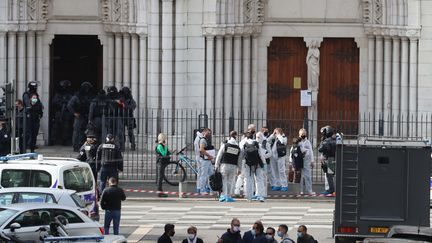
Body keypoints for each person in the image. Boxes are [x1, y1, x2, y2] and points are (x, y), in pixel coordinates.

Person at [215, 131, 242, 202]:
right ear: (236, 136)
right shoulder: (238, 147)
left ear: (229, 136)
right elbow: (239, 159)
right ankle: (229, 196)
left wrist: (216, 165)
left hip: (224, 165)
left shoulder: (225, 145)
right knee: (230, 182)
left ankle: (224, 195)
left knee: (224, 181)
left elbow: (219, 155)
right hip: (233, 166)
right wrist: (239, 169)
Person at [68, 82, 93, 151]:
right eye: (86, 88)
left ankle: (83, 146)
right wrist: (74, 113)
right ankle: (76, 146)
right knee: (77, 132)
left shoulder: (89, 96)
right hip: (79, 116)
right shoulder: (77, 96)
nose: (87, 90)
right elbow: (69, 105)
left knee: (86, 132)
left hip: (86, 116)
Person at [234, 124, 256, 197]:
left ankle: (237, 191)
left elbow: (240, 152)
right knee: (247, 177)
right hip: (249, 161)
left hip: (243, 160)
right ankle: (246, 192)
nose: (253, 130)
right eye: (253, 129)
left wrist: (238, 163)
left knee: (241, 176)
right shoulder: (253, 141)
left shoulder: (243, 141)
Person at [51, 80, 73, 145]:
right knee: (55, 127)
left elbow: (71, 103)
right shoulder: (58, 95)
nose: (64, 88)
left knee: (66, 127)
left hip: (66, 113)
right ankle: (53, 140)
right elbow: (54, 102)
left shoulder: (69, 95)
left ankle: (65, 140)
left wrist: (66, 103)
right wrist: (61, 103)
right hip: (58, 112)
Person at [106, 86, 125, 151]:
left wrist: (117, 101)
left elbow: (122, 102)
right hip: (109, 116)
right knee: (109, 132)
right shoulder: (107, 96)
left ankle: (121, 147)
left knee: (119, 132)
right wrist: (115, 101)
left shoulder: (119, 96)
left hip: (117, 116)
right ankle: (109, 145)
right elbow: (106, 101)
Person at [318, 125, 336, 196]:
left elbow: (320, 149)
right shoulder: (334, 140)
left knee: (329, 176)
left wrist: (322, 141)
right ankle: (331, 189)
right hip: (333, 158)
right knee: (331, 175)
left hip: (328, 159)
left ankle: (331, 190)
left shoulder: (326, 141)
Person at [297, 128, 315, 195]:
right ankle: (300, 190)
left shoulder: (308, 142)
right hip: (299, 161)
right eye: (302, 134)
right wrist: (291, 161)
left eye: (304, 134)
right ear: (299, 135)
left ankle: (309, 190)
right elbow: (292, 151)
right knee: (300, 177)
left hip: (307, 161)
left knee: (308, 176)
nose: (303, 135)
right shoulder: (298, 142)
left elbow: (311, 151)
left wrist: (312, 161)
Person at [198, 128, 215, 194]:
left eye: (210, 133)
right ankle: (202, 190)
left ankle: (211, 190)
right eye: (208, 133)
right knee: (204, 175)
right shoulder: (203, 140)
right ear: (204, 132)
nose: (209, 134)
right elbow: (201, 150)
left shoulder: (207, 140)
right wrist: (209, 155)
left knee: (211, 175)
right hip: (205, 160)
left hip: (208, 160)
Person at [256, 131, 271, 199]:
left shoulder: (266, 144)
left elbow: (270, 153)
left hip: (264, 163)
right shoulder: (255, 143)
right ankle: (258, 193)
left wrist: (263, 156)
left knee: (264, 178)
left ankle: (264, 193)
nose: (258, 138)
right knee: (257, 179)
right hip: (257, 163)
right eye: (256, 137)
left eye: (259, 137)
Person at [155, 133, 171, 197]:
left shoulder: (162, 145)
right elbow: (164, 154)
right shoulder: (160, 146)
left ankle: (160, 192)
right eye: (165, 139)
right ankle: (160, 192)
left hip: (163, 162)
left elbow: (167, 153)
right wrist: (165, 146)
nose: (165, 140)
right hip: (160, 163)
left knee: (161, 177)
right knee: (160, 178)